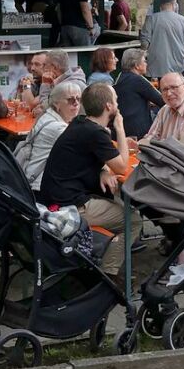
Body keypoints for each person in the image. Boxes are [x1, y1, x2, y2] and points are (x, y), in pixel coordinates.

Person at [40, 83, 133, 278]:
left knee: (115, 201)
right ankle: (108, 275)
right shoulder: (95, 132)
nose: (118, 103)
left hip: (54, 199)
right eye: (115, 100)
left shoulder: (80, 123)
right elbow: (123, 166)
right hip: (70, 208)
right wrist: (120, 128)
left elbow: (90, 156)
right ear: (109, 106)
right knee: (133, 219)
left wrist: (104, 169)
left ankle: (96, 259)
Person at [14, 82, 82, 191]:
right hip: (40, 187)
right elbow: (86, 150)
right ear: (56, 103)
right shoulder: (58, 127)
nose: (76, 103)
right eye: (70, 100)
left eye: (79, 99)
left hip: (30, 180)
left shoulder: (46, 116)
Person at [141, 0, 184, 79]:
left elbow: (145, 43)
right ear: (174, 4)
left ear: (161, 5)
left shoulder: (152, 19)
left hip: (155, 69)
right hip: (178, 68)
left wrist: (142, 58)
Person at [114, 48, 164, 139]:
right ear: (137, 66)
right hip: (139, 131)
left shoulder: (120, 77)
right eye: (144, 61)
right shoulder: (137, 80)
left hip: (122, 128)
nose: (146, 64)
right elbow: (162, 100)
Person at [142, 73, 184, 144]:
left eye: (174, 87)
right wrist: (138, 145)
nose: (169, 93)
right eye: (165, 89)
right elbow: (152, 137)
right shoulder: (165, 109)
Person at [35, 49, 87, 117]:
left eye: (45, 65)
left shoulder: (67, 87)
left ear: (54, 67)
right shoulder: (66, 80)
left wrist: (45, 84)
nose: (43, 68)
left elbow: (46, 110)